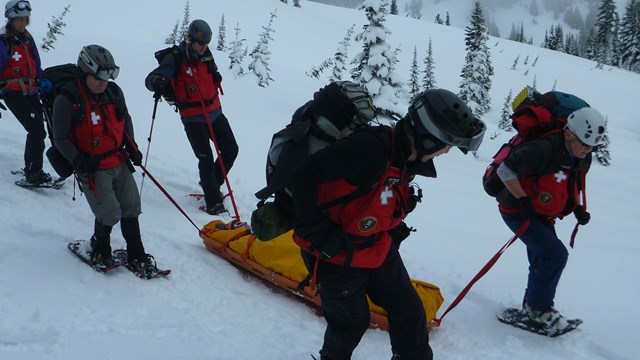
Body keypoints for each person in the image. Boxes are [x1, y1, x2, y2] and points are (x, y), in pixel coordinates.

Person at [290, 89, 486, 360]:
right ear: (428, 140)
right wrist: (319, 234)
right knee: (350, 325)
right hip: (337, 255)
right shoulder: (370, 148)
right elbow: (302, 177)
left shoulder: (402, 156)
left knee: (410, 313)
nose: (445, 152)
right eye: (446, 145)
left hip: (376, 248)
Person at [495, 106, 606, 331]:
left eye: (592, 144)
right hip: (517, 210)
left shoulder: (581, 156)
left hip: (542, 213)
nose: (588, 149)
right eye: (584, 143)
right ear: (568, 133)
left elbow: (569, 182)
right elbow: (505, 170)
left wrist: (576, 209)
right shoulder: (543, 148)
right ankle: (538, 310)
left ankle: (533, 309)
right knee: (555, 255)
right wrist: (523, 199)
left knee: (543, 258)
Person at [52, 44, 158, 277]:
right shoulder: (68, 99)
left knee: (131, 207)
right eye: (98, 75)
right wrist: (78, 160)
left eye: (109, 74)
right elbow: (60, 137)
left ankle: (137, 254)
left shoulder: (114, 92)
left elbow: (125, 120)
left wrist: (133, 148)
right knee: (110, 213)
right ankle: (100, 248)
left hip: (118, 160)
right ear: (85, 71)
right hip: (92, 166)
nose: (104, 81)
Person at [145, 19, 238, 216]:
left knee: (231, 150)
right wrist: (157, 82)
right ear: (190, 39)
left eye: (206, 44)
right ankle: (213, 202)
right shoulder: (176, 58)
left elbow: (212, 73)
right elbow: (152, 78)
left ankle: (211, 183)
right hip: (193, 118)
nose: (204, 48)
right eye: (200, 44)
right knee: (205, 159)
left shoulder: (206, 55)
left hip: (214, 112)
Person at [0, 0, 51, 184]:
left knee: (39, 130)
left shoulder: (27, 38)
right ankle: (33, 174)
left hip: (30, 91)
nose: (23, 23)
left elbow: (36, 63)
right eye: (19, 19)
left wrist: (41, 79)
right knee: (36, 130)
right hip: (12, 92)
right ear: (10, 19)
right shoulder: (4, 40)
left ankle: (31, 168)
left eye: (25, 19)